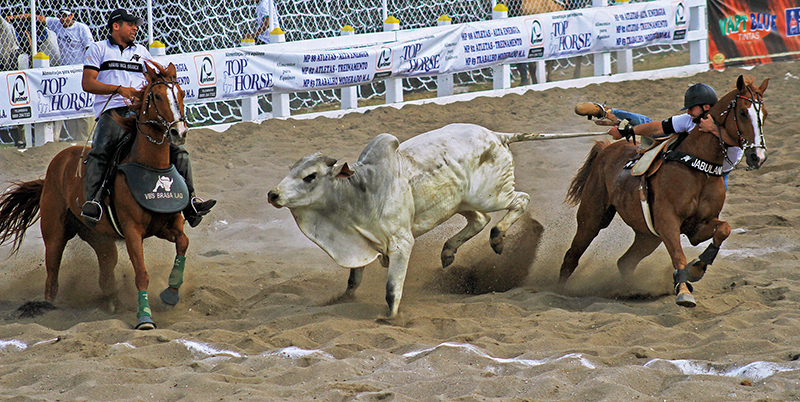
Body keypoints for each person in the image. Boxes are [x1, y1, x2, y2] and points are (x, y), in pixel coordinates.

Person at [81, 8, 215, 228]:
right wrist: (118, 89)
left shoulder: (142, 51)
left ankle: (191, 202)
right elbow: (88, 83)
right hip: (112, 112)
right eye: (131, 24)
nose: (135, 28)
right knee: (101, 150)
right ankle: (93, 202)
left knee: (178, 149)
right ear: (116, 26)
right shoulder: (98, 49)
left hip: (141, 114)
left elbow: (154, 80)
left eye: (136, 25)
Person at [575, 83, 743, 187]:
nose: (690, 112)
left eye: (692, 108)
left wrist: (713, 130)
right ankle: (607, 112)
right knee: (649, 123)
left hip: (719, 173)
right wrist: (626, 132)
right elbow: (656, 127)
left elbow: (740, 142)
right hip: (695, 168)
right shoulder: (689, 119)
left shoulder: (726, 122)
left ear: (706, 107)